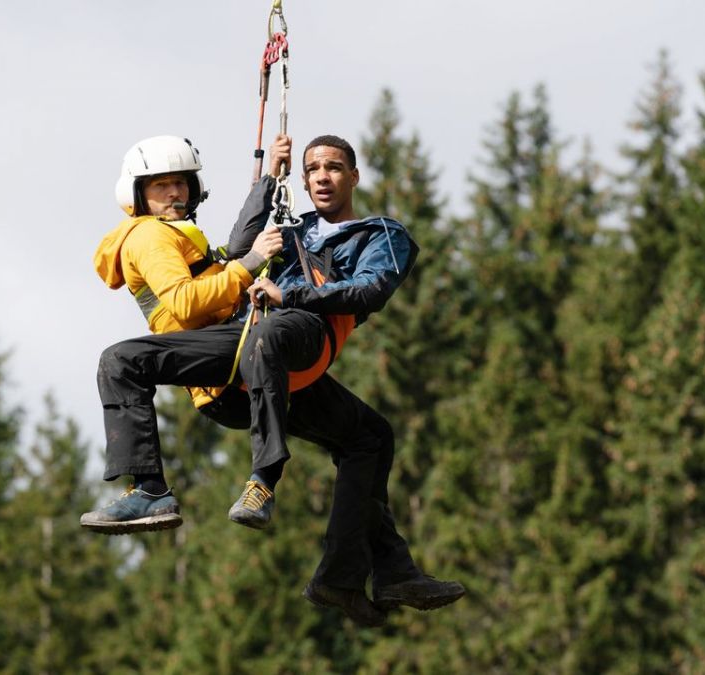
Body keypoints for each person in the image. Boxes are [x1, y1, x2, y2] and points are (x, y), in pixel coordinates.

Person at [83, 133, 464, 626]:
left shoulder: (381, 235)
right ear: (303, 182)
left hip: (301, 334)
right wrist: (267, 182)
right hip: (259, 353)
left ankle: (265, 480)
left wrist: (295, 295)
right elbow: (242, 246)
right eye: (313, 170)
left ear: (353, 176)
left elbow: (369, 290)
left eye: (333, 167)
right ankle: (356, 575)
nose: (323, 176)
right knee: (368, 437)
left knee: (274, 338)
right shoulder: (293, 231)